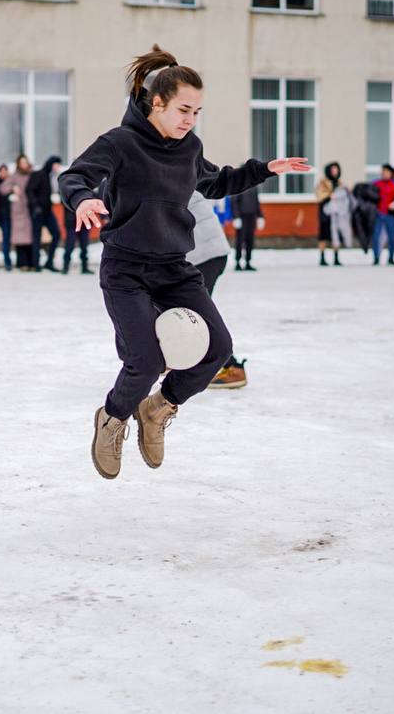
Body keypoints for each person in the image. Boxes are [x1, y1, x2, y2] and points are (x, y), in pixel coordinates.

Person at [57, 45, 311, 480]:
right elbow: (74, 177)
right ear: (157, 103)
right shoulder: (120, 143)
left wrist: (265, 168)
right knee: (145, 358)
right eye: (183, 109)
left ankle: (158, 409)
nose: (190, 120)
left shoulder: (189, 148)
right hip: (126, 269)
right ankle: (113, 417)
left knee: (217, 348)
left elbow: (217, 181)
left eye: (196, 112)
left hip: (174, 267)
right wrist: (82, 200)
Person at [186, 192, 248, 390]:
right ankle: (196, 363)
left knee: (199, 314)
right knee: (195, 312)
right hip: (207, 253)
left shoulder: (168, 178)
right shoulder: (174, 171)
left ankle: (231, 367)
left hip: (204, 255)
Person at [27, 155, 63, 271]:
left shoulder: (52, 176)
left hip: (47, 211)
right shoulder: (38, 174)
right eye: (56, 164)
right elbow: (29, 190)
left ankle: (49, 262)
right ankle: (36, 264)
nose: (58, 167)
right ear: (51, 164)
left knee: (56, 234)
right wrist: (35, 206)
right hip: (37, 212)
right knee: (36, 238)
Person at [0, 155, 34, 271]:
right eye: (22, 162)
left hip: (29, 209)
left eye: (25, 162)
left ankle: (30, 263)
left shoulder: (32, 175)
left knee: (30, 238)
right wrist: (12, 188)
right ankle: (21, 263)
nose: (24, 164)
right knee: (20, 239)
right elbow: (2, 188)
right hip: (18, 211)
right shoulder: (14, 176)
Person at [371, 163, 394, 266]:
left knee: (392, 237)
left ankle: (391, 258)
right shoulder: (376, 184)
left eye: (387, 172)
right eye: (383, 172)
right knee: (376, 237)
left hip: (390, 215)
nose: (384, 174)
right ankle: (376, 257)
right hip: (378, 214)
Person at [314, 161, 343, 266]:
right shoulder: (323, 182)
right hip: (324, 213)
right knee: (323, 235)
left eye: (336, 169)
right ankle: (322, 257)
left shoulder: (339, 183)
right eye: (333, 169)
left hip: (336, 214)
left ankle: (336, 258)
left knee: (336, 235)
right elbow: (318, 195)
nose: (335, 171)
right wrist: (329, 196)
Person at [231, 186, 262, 271]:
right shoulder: (239, 185)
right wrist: (236, 217)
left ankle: (248, 262)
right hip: (242, 217)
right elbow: (234, 202)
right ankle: (237, 262)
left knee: (250, 240)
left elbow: (256, 202)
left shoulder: (254, 186)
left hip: (251, 217)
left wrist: (260, 216)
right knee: (240, 241)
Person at [61, 197, 93, 275]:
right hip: (71, 220)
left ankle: (84, 267)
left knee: (84, 245)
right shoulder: (67, 186)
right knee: (70, 244)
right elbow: (63, 200)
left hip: (84, 220)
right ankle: (65, 267)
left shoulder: (89, 186)